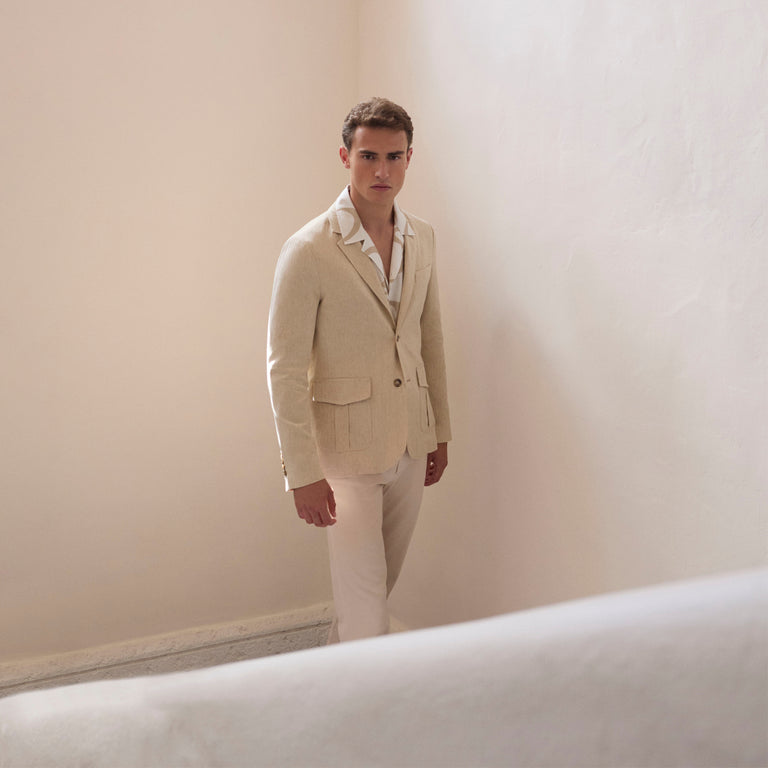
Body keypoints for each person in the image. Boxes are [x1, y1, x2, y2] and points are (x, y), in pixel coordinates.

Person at [267, 97, 451, 642]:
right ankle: (362, 689)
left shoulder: (423, 237)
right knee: (367, 611)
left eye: (394, 156)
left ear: (409, 158)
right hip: (345, 454)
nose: (381, 170)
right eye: (368, 156)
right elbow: (284, 368)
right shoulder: (308, 249)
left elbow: (430, 337)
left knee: (372, 593)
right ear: (345, 156)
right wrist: (302, 471)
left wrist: (439, 430)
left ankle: (334, 669)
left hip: (411, 442)